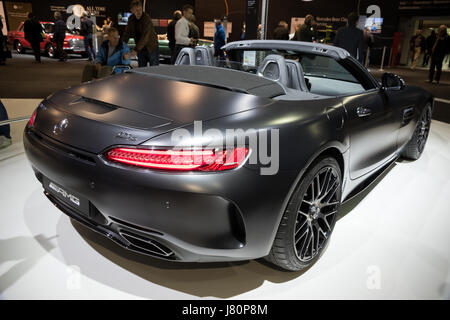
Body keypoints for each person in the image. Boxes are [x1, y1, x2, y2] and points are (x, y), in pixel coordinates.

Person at [122, 0, 159, 67]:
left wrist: (136, 49)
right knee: (142, 68)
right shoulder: (131, 19)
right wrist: (122, 46)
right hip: (141, 48)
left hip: (151, 47)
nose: (139, 12)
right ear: (132, 10)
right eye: (136, 10)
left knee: (154, 69)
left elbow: (145, 36)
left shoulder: (146, 18)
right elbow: (126, 33)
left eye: (140, 10)